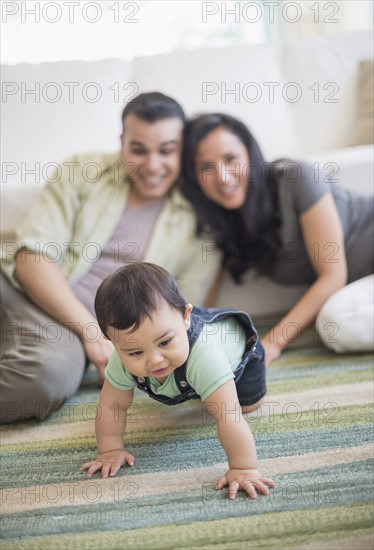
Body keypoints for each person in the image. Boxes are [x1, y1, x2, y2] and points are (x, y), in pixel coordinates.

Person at [0, 93, 220, 424]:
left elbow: (181, 318)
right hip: (17, 290)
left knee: (46, 379)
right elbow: (31, 259)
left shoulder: (198, 223)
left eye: (166, 151)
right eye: (138, 149)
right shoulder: (81, 170)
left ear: (182, 150)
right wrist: (92, 334)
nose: (152, 165)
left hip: (61, 333)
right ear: (122, 143)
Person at [181, 113, 374, 367]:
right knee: (336, 323)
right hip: (363, 285)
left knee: (335, 322)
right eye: (206, 167)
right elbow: (205, 297)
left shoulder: (297, 177)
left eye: (230, 159)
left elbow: (332, 276)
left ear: (250, 154)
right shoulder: (223, 225)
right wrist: (185, 339)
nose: (223, 176)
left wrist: (272, 343)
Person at [80, 262, 274, 501]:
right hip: (185, 343)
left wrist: (244, 469)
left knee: (241, 406)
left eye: (164, 343)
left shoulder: (205, 356)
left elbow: (229, 416)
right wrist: (109, 450)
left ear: (185, 317)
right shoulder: (120, 359)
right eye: (135, 353)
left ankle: (210, 384)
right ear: (111, 341)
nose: (154, 360)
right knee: (196, 383)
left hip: (243, 353)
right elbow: (112, 406)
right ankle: (198, 380)